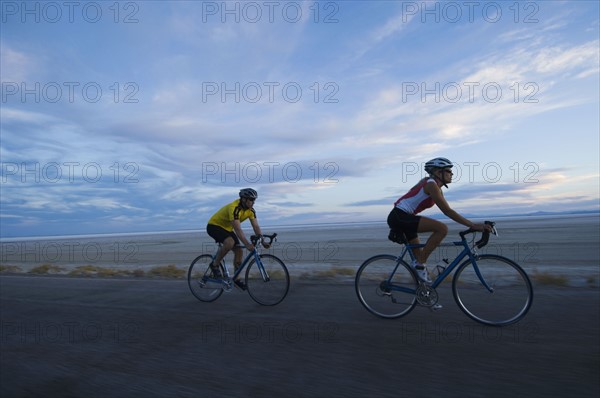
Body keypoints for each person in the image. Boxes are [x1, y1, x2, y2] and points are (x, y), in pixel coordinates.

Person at [387, 157, 492, 284]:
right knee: (442, 229)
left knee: (420, 260)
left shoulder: (435, 186)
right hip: (400, 216)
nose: (452, 173)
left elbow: (447, 209)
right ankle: (419, 265)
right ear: (438, 173)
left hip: (403, 218)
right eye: (448, 171)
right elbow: (447, 211)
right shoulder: (431, 185)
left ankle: (425, 294)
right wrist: (473, 225)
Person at [206, 188, 270, 290]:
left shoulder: (251, 211)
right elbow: (237, 229)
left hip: (227, 228)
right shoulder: (234, 208)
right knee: (230, 242)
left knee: (239, 250)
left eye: (254, 200)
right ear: (244, 199)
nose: (253, 202)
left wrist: (262, 241)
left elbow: (256, 227)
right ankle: (215, 265)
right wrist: (248, 244)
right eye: (251, 200)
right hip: (214, 226)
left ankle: (236, 279)